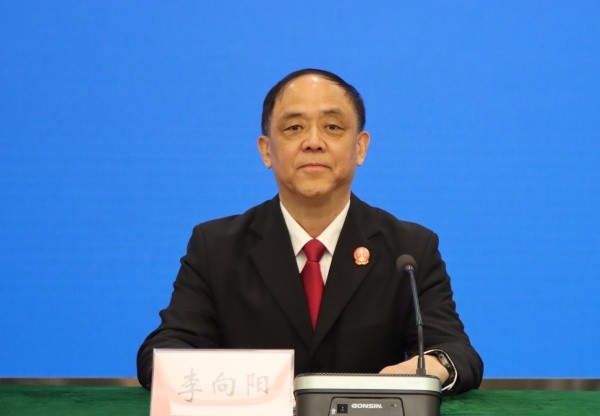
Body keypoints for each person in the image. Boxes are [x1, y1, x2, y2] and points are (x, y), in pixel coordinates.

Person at [137, 68, 483, 394]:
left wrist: (432, 367)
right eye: (294, 128)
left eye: (332, 127)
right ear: (266, 150)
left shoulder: (409, 250)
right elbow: (163, 351)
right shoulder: (216, 247)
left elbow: (456, 352)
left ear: (360, 147)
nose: (313, 142)